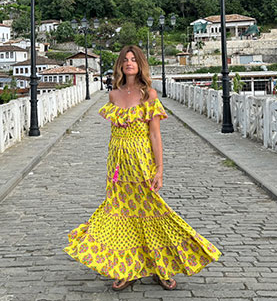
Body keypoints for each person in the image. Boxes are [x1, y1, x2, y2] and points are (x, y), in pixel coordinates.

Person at [64, 44, 221, 291]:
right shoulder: (113, 95)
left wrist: (159, 169)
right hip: (117, 165)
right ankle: (124, 268)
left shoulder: (150, 95)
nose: (129, 63)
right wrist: (112, 171)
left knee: (152, 214)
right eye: (125, 59)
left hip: (142, 163)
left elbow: (155, 136)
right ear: (120, 65)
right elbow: (112, 136)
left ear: (140, 65)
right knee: (119, 216)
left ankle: (161, 266)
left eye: (133, 59)